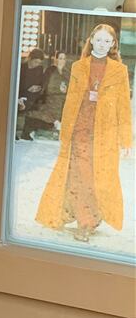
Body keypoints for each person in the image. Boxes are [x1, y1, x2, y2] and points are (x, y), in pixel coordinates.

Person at [35, 24, 133, 243]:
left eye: (107, 41)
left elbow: (123, 106)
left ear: (113, 44)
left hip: (105, 134)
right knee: (80, 175)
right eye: (98, 40)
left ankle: (92, 216)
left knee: (100, 176)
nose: (102, 44)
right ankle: (84, 222)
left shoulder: (119, 71)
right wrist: (64, 130)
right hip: (80, 129)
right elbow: (70, 100)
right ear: (91, 40)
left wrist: (126, 139)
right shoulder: (78, 67)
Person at [20, 51, 71, 140]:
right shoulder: (51, 70)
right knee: (45, 116)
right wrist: (59, 90)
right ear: (56, 59)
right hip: (52, 99)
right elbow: (45, 86)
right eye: (60, 58)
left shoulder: (67, 73)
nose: (62, 61)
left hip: (64, 100)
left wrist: (66, 91)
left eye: (64, 59)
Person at [16, 48, 46, 140]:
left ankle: (26, 132)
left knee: (35, 104)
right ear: (30, 59)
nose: (37, 64)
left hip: (31, 95)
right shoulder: (21, 68)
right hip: (20, 94)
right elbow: (18, 85)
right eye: (35, 62)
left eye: (39, 63)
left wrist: (37, 88)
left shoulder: (39, 69)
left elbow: (40, 83)